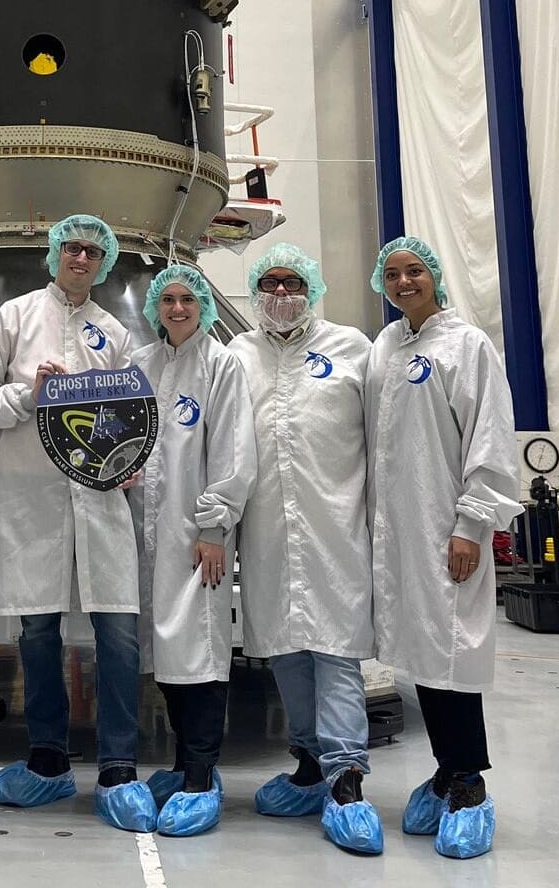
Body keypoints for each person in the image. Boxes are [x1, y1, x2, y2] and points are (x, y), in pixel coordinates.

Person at [0, 215, 157, 832]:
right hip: (33, 501)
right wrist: (29, 392)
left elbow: (131, 420)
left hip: (101, 504)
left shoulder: (113, 333)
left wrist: (128, 464)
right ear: (55, 255)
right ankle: (48, 758)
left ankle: (119, 765)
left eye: (93, 251)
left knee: (118, 635)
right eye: (73, 247)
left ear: (102, 264)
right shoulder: (16, 319)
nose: (81, 257)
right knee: (38, 630)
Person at [367, 236, 521, 860]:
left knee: (453, 653)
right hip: (400, 534)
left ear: (435, 278)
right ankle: (443, 767)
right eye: (394, 274)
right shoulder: (385, 347)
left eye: (416, 272)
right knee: (425, 656)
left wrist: (472, 524)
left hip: (448, 530)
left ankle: (469, 783)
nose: (405, 282)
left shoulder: (466, 345)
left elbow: (489, 439)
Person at [231, 242, 383, 855]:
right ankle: (308, 763)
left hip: (335, 528)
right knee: (287, 652)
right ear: (255, 292)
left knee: (336, 650)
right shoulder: (236, 355)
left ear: (312, 287)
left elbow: (385, 440)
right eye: (269, 283)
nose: (281, 293)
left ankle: (347, 778)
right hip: (267, 532)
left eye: (293, 282)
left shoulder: (352, 349)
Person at [133, 265, 256, 837]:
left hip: (196, 538)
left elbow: (233, 453)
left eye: (188, 299)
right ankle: (184, 760)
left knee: (201, 655)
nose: (178, 308)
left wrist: (214, 526)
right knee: (166, 655)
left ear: (203, 305)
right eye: (169, 299)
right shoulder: (142, 363)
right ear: (157, 306)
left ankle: (203, 773)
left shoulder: (222, 363)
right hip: (148, 539)